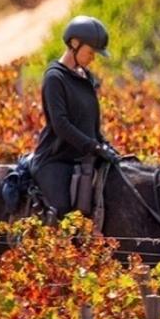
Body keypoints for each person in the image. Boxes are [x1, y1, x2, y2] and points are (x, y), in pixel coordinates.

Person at [29, 15, 120, 221]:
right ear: (74, 44)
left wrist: (104, 145)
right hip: (56, 159)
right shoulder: (55, 78)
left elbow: (90, 122)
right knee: (64, 212)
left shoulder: (86, 78)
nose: (93, 58)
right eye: (91, 52)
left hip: (85, 156)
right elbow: (61, 124)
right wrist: (93, 146)